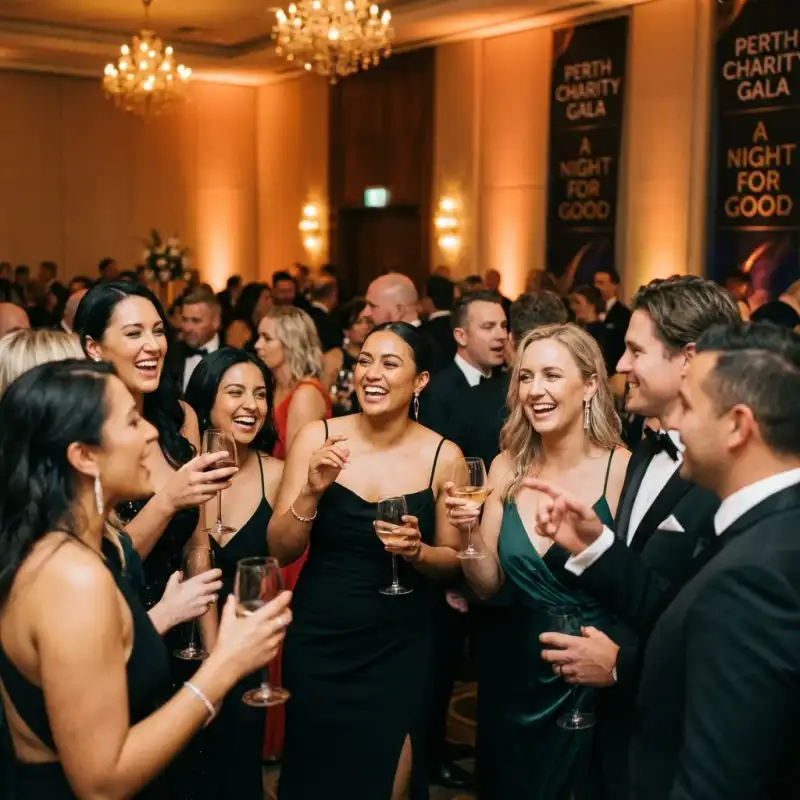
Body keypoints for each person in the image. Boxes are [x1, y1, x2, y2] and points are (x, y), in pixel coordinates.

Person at [0, 359, 292, 799]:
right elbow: (100, 783)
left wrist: (155, 620)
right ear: (83, 456)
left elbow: (79, 671)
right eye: (131, 422)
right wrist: (225, 663)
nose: (153, 433)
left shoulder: (71, 549)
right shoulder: (71, 578)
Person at [525, 275, 742, 800]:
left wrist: (623, 668)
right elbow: (646, 588)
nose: (620, 366)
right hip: (618, 733)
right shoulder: (645, 441)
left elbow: (718, 635)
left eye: (634, 350)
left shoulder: (728, 468)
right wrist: (593, 546)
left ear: (688, 358)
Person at [270, 322, 463, 800]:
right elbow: (280, 547)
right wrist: (312, 491)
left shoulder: (444, 455)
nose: (372, 374)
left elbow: (454, 563)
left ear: (419, 382)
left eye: (390, 364)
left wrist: (418, 552)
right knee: (315, 777)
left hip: (402, 642)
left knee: (389, 784)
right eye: (365, 361)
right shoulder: (318, 437)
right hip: (321, 634)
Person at [447, 323, 630, 800]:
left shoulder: (623, 470)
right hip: (510, 674)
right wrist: (467, 531)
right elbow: (486, 584)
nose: (535, 390)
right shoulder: (508, 465)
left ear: (590, 385)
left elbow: (640, 589)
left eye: (551, 375)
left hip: (585, 680)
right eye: (525, 377)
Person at [631, 323, 800, 799]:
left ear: (738, 426)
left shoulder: (751, 581)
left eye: (687, 404)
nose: (672, 421)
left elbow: (718, 781)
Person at [185, 348, 283, 800]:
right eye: (236, 392)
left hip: (246, 656)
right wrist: (211, 662)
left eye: (261, 394)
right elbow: (195, 561)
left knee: (240, 774)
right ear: (207, 400)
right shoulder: (185, 471)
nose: (252, 405)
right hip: (187, 648)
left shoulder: (279, 475)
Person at [254, 304, 331, 758]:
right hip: (271, 510)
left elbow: (300, 472)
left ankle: (284, 739)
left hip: (292, 516)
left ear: (290, 342)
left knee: (283, 623)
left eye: (266, 338)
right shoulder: (276, 386)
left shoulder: (305, 393)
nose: (257, 345)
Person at [321, 298, 373, 413]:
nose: (365, 327)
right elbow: (321, 396)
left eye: (368, 322)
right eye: (359, 322)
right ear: (346, 329)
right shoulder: (334, 357)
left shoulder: (376, 356)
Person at [167, 290, 222, 392]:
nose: (187, 328)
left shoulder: (231, 357)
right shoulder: (170, 354)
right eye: (184, 320)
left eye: (196, 321)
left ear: (216, 321)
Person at [593, 268, 630, 375]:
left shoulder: (624, 314)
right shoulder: (589, 310)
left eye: (601, 283)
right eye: (595, 282)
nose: (596, 287)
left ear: (614, 286)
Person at [226, 282, 272, 351]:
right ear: (254, 302)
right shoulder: (238, 326)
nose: (271, 302)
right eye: (266, 298)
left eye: (271, 298)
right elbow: (233, 355)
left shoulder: (264, 324)